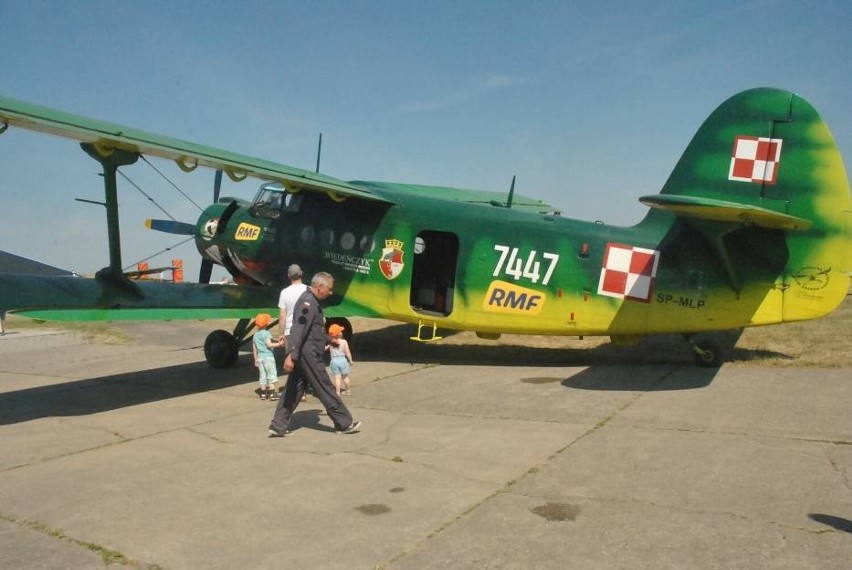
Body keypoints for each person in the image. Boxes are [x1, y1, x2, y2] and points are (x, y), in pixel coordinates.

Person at [268, 272, 361, 437]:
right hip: (307, 354)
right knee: (325, 386)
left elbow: (314, 331)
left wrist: (329, 339)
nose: (331, 292)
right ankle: (343, 423)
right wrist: (291, 355)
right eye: (329, 289)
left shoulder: (312, 302)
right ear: (319, 287)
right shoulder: (308, 303)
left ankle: (278, 425)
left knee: (293, 389)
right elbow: (298, 330)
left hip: (306, 351)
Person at [278, 263, 310, 400]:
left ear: (288, 276)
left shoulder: (284, 292)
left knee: (292, 362)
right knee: (307, 360)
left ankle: (297, 392)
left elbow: (282, 316)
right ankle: (305, 389)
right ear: (301, 274)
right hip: (306, 330)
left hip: (290, 331)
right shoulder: (308, 290)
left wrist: (280, 333)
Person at [252, 313, 284, 400]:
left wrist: (255, 359)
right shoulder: (266, 333)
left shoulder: (255, 335)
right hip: (268, 357)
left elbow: (255, 348)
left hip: (260, 358)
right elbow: (269, 345)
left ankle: (263, 393)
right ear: (266, 324)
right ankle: (272, 393)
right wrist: (279, 344)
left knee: (263, 375)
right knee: (271, 374)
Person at [326, 323, 353, 396]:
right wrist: (350, 360)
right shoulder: (344, 342)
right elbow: (347, 352)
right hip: (343, 360)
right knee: (345, 377)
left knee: (337, 377)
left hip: (334, 361)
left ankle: (337, 392)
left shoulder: (331, 342)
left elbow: (325, 348)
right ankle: (348, 390)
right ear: (339, 333)